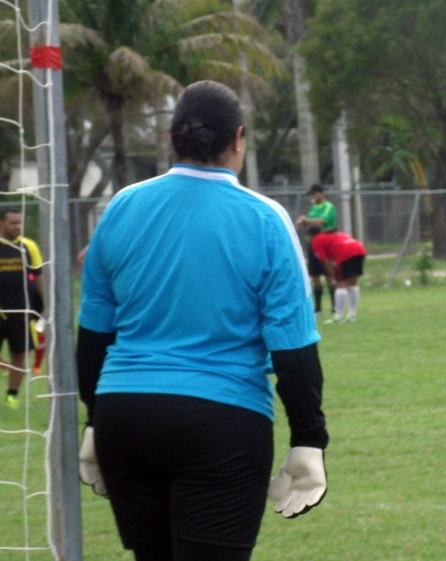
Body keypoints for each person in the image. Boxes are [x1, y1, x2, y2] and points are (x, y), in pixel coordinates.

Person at [75, 80, 328, 561]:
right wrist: (309, 438)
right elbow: (292, 347)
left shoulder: (121, 208)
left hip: (123, 416)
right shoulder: (265, 219)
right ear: (239, 138)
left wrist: (94, 419)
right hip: (220, 421)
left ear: (173, 138)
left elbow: (94, 336)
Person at [0, 208, 44, 409]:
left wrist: (41, 307)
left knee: (20, 355)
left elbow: (39, 278)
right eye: (13, 223)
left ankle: (12, 396)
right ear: (2, 224)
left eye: (20, 223)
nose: (18, 227)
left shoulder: (29, 247)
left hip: (21, 312)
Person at [306, 225, 366, 323]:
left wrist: (334, 277)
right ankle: (352, 315)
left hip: (346, 253)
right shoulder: (331, 235)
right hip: (359, 249)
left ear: (311, 236)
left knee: (340, 284)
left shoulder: (316, 241)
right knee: (353, 283)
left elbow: (325, 261)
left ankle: (338, 316)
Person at [295, 184, 337, 314]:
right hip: (313, 244)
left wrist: (307, 221)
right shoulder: (313, 207)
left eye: (315, 193)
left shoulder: (328, 206)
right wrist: (304, 223)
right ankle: (318, 308)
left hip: (326, 243)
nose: (313, 196)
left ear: (321, 193)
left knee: (329, 273)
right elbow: (312, 223)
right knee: (315, 275)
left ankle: (335, 305)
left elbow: (321, 221)